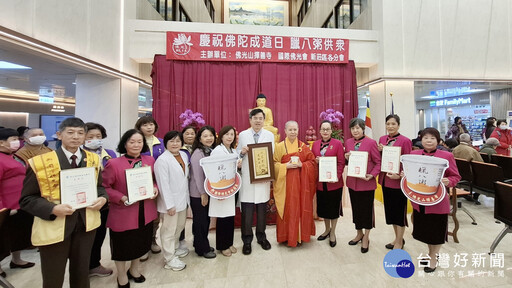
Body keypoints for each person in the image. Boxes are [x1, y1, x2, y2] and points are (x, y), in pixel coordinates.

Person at [20, 117, 108, 288]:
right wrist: (53, 208)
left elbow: (100, 187)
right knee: (53, 276)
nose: (76, 137)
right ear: (59, 135)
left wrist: (103, 198)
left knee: (82, 274)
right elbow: (26, 199)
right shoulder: (41, 163)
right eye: (70, 132)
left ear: (84, 137)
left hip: (85, 225)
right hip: (54, 226)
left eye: (80, 133)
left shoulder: (93, 160)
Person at [102, 129, 158, 287]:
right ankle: (121, 275)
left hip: (145, 210)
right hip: (124, 212)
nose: (136, 145)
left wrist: (154, 188)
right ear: (124, 144)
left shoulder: (149, 161)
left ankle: (134, 269)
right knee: (122, 246)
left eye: (139, 142)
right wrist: (120, 197)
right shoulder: (113, 164)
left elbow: (154, 180)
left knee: (140, 243)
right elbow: (104, 187)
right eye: (132, 142)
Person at [410, 128, 461, 273]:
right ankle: (430, 253)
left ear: (438, 141)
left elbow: (456, 177)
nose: (428, 141)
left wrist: (448, 181)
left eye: (432, 138)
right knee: (426, 230)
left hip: (437, 200)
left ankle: (434, 256)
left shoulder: (446, 156)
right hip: (420, 199)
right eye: (425, 138)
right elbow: (409, 173)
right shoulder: (414, 155)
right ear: (421, 140)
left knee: (436, 230)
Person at [273, 121, 317, 247]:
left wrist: (302, 165)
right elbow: (274, 164)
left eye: (295, 129)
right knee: (288, 209)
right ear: (285, 131)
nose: (293, 132)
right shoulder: (279, 146)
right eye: (290, 130)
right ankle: (287, 236)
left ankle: (300, 236)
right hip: (285, 184)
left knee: (301, 207)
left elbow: (312, 163)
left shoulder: (303, 146)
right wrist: (285, 166)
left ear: (298, 130)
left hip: (301, 185)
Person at [237, 108, 274, 255]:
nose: (258, 121)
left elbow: (270, 155)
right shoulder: (243, 135)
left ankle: (261, 237)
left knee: (261, 211)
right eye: (255, 118)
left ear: (264, 120)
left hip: (262, 178)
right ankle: (247, 240)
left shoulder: (269, 135)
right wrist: (242, 152)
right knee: (247, 211)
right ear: (250, 120)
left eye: (260, 118)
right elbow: (238, 156)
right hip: (247, 179)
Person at [0, 128, 35, 278]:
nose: (17, 142)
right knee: (3, 236)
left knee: (18, 233)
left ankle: (16, 260)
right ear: (1, 142)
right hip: (6, 206)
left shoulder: (15, 156)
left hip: (21, 203)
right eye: (12, 139)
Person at [83, 122, 116, 277]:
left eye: (98, 136)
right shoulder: (79, 155)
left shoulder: (110, 154)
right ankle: (81, 268)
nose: (95, 139)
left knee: (100, 233)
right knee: (85, 236)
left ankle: (94, 264)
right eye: (90, 137)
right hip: (85, 201)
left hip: (105, 201)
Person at [154, 131, 190, 271]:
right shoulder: (162, 160)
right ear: (166, 143)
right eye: (171, 141)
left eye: (178, 141)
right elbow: (163, 185)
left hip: (182, 200)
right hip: (170, 203)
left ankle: (174, 249)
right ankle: (169, 258)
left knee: (180, 226)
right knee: (168, 230)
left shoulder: (183, 155)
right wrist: (169, 205)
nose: (175, 144)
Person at [344, 118, 381, 253]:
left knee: (366, 211)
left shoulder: (371, 143)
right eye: (353, 128)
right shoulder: (348, 142)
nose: (355, 131)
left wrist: (372, 175)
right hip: (353, 183)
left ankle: (366, 236)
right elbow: (348, 161)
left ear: (363, 128)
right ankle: (359, 233)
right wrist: (346, 157)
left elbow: (378, 162)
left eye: (358, 128)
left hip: (367, 183)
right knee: (356, 210)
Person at [377, 115, 412, 250]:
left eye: (393, 124)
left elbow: (407, 162)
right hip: (386, 181)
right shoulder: (382, 139)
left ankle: (399, 241)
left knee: (399, 213)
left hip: (398, 183)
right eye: (388, 124)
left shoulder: (405, 141)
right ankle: (397, 238)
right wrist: (380, 151)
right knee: (391, 213)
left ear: (398, 125)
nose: (390, 126)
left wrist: (400, 176)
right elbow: (380, 159)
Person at [311, 121, 345, 247]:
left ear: (331, 131)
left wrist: (337, 176)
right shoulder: (315, 145)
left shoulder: (337, 144)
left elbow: (341, 163)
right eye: (323, 129)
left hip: (334, 183)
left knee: (333, 209)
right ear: (319, 131)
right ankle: (326, 230)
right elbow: (311, 162)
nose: (325, 131)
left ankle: (333, 233)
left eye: (328, 129)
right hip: (320, 183)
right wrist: (315, 161)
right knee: (324, 209)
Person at [135, 116, 163, 256]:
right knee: (142, 215)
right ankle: (143, 244)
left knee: (156, 216)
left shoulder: (162, 143)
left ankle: (152, 240)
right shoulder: (136, 143)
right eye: (145, 125)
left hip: (159, 184)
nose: (149, 127)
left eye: (151, 124)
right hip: (141, 185)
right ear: (139, 127)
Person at [210, 126, 239, 256]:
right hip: (221, 189)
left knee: (230, 216)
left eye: (232, 134)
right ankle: (222, 245)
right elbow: (213, 171)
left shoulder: (233, 150)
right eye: (227, 134)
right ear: (221, 136)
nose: (229, 137)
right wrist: (218, 191)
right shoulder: (218, 151)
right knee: (222, 217)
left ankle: (229, 242)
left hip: (232, 188)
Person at [189, 126, 217, 259]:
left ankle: (199, 244)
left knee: (204, 220)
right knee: (201, 221)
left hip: (206, 191)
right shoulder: (198, 153)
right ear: (199, 138)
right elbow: (198, 176)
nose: (209, 138)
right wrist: (203, 193)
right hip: (198, 193)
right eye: (205, 136)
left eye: (211, 135)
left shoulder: (210, 151)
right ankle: (203, 249)